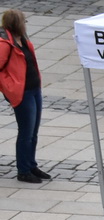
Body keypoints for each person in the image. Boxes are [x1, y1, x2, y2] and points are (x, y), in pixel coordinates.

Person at [0, 11, 44, 182]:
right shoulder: (5, 44)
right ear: (17, 23)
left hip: (34, 89)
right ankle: (23, 170)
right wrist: (10, 87)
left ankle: (32, 165)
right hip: (22, 92)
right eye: (24, 20)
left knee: (33, 132)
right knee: (26, 132)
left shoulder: (22, 39)